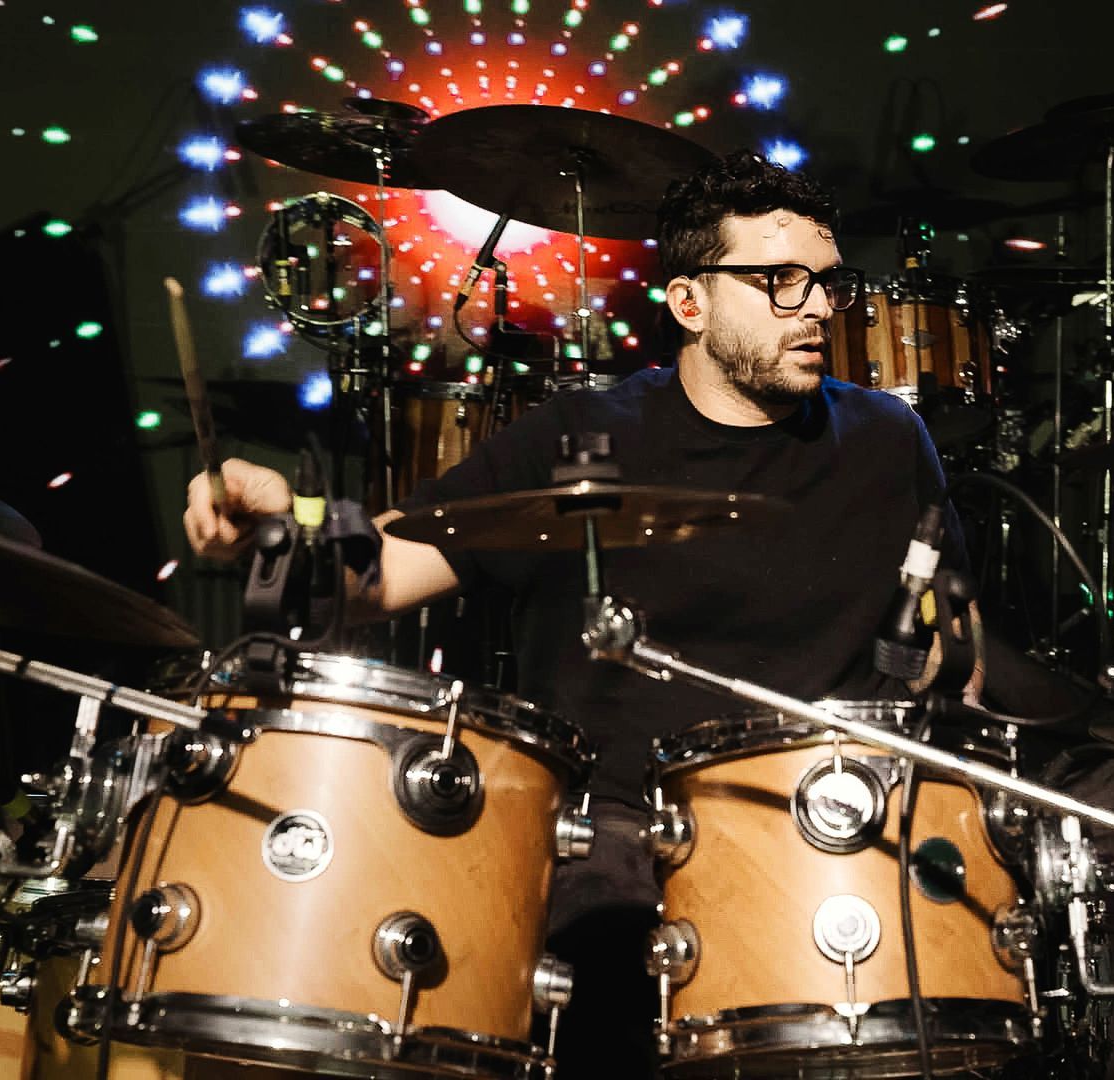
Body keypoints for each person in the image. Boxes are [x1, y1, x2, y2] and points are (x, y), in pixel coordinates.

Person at [184, 149, 976, 1077]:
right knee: (601, 928)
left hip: (837, 818)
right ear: (688, 302)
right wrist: (277, 534)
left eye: (827, 285)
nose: (813, 307)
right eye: (778, 281)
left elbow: (948, 648)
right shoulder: (582, 437)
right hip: (623, 829)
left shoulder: (888, 437)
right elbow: (381, 572)